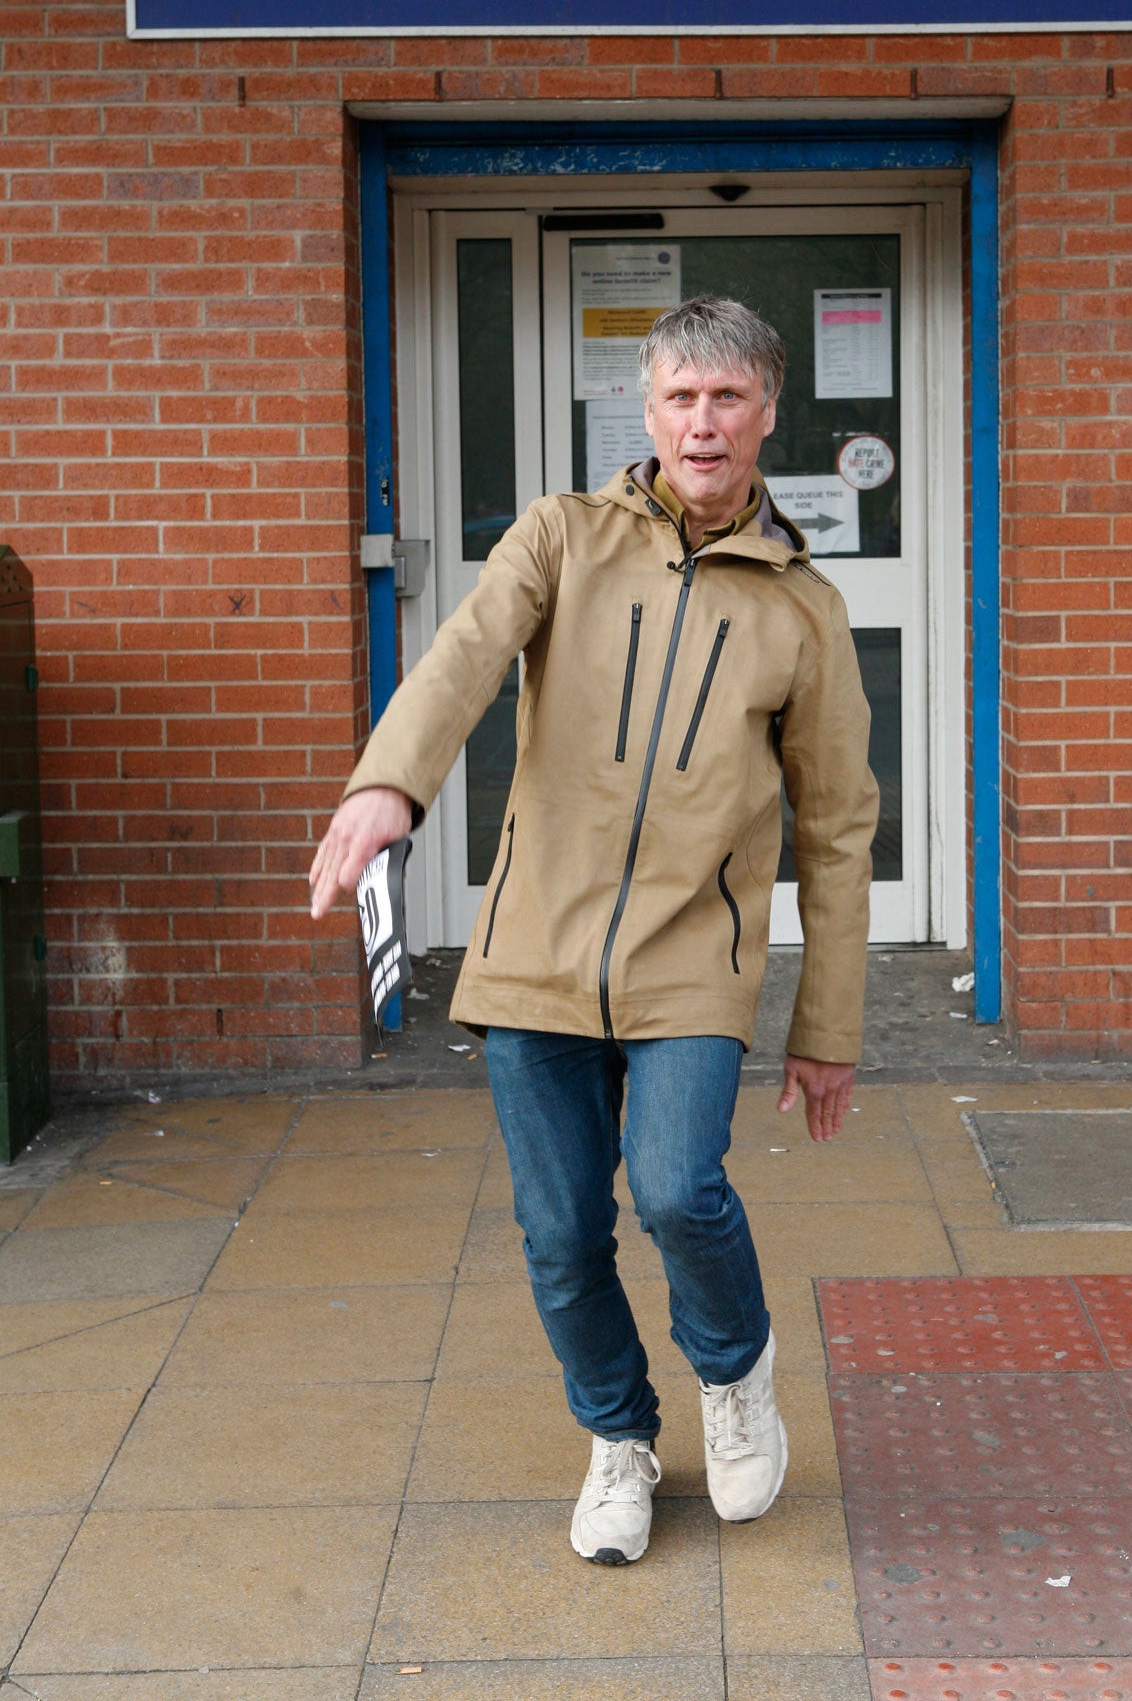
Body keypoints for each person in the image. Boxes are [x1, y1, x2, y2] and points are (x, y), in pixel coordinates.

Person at [309, 295, 878, 1564]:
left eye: (729, 397)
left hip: (694, 955)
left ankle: (734, 1374)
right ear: (648, 408)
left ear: (768, 412)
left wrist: (825, 1027)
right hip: (536, 952)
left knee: (680, 1190)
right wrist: (388, 784)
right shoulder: (563, 537)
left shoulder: (803, 610)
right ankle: (618, 1435)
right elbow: (463, 656)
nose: (704, 421)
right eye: (682, 395)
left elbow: (839, 830)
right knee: (562, 1229)